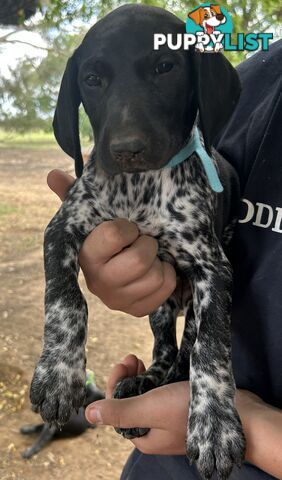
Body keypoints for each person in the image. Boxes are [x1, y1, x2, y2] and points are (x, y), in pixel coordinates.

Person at [47, 40, 282, 479]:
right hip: (163, 465)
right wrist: (134, 274)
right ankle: (164, 361)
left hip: (217, 430)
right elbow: (193, 246)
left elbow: (210, 265)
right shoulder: (255, 74)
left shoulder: (221, 75)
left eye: (163, 69)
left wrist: (253, 426)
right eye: (95, 79)